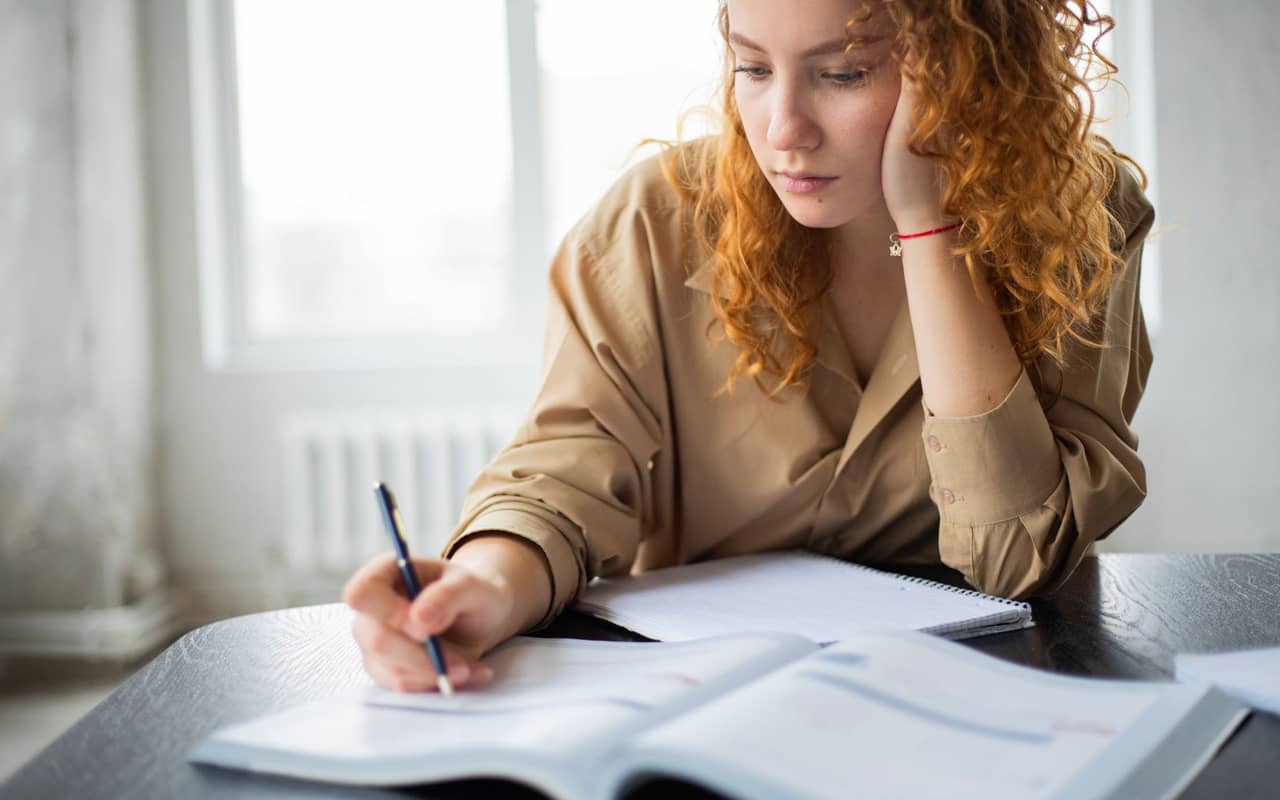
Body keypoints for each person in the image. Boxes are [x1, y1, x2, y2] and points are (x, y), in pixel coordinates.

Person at [344, 0, 1154, 692]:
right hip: (700, 699)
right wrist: (482, 587)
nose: (784, 130)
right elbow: (563, 472)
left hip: (974, 700)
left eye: (842, 73)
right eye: (753, 68)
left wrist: (930, 221)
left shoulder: (1081, 216)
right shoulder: (655, 223)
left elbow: (1020, 554)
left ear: (967, 69)